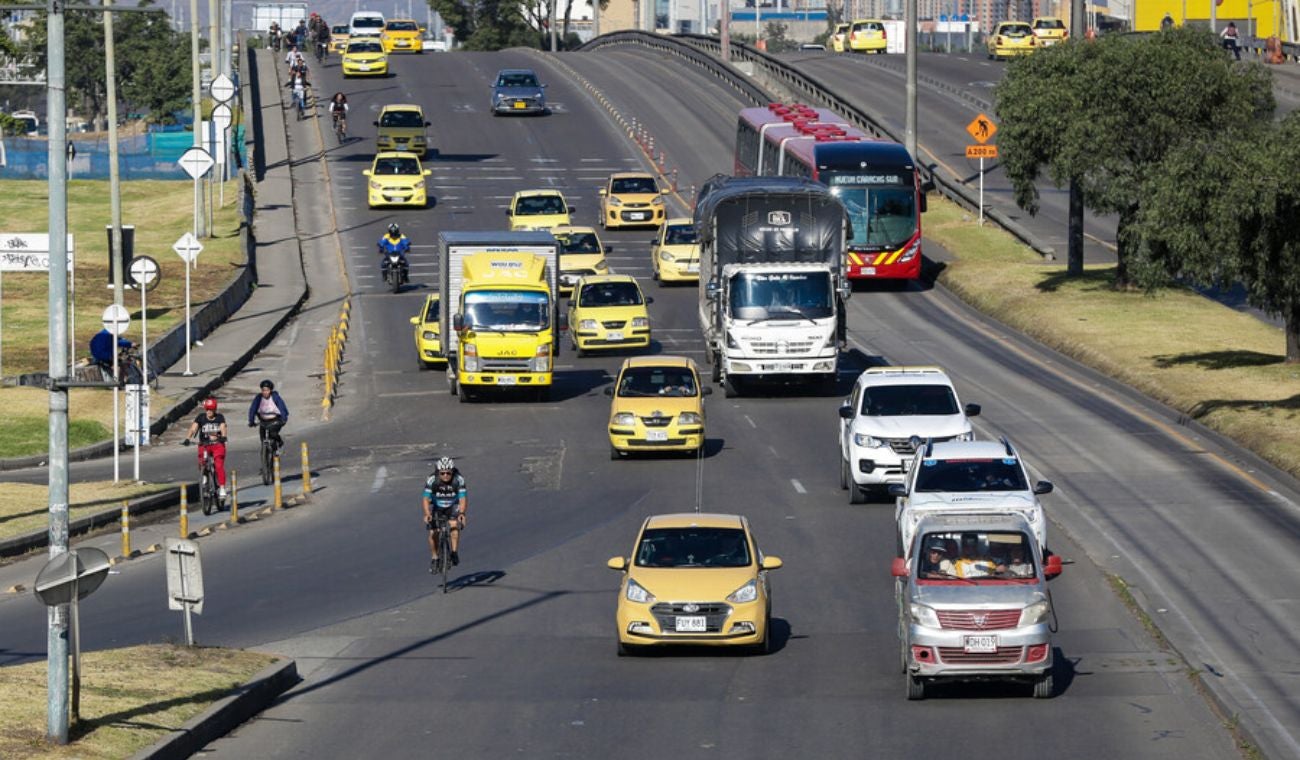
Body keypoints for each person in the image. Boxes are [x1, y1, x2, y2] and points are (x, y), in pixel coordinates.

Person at [422, 456, 468, 570]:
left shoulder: (459, 479)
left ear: (452, 472)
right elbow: (425, 499)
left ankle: (454, 552)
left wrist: (462, 513)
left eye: (448, 473)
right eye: (442, 473)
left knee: (454, 526)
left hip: (453, 505)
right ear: (438, 472)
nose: (446, 476)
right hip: (437, 505)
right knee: (433, 533)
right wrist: (427, 514)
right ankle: (434, 557)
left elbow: (463, 498)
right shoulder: (432, 479)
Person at [185, 398, 228, 501]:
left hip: (217, 444)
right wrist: (187, 438)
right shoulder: (201, 417)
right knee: (202, 461)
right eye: (207, 409)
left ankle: (221, 487)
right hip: (204, 445)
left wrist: (223, 436)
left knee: (218, 465)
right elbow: (193, 428)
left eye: (211, 409)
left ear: (215, 409)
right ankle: (204, 475)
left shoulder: (219, 417)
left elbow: (223, 428)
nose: (209, 412)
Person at [247, 379, 289, 452]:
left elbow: (282, 408)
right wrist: (251, 421)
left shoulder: (275, 398)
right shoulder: (259, 398)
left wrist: (284, 419)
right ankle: (265, 454)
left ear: (270, 390)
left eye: (267, 390)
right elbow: (253, 409)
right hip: (263, 421)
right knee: (262, 438)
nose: (265, 392)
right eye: (263, 390)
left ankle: (279, 442)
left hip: (275, 420)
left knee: (273, 434)